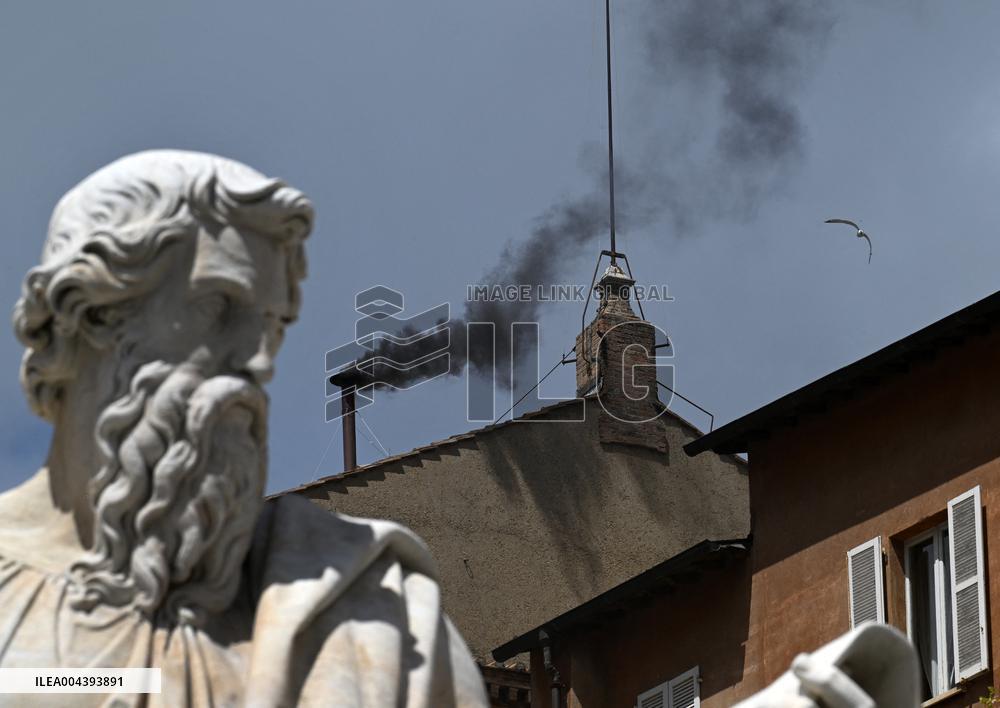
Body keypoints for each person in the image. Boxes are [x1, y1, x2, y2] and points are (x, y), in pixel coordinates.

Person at [0, 150, 487, 707]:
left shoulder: (382, 623)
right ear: (88, 315)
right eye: (218, 307)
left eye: (271, 326)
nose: (259, 360)